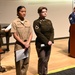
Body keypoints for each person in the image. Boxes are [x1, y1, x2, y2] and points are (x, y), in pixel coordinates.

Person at [11, 6, 32, 75]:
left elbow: (31, 34)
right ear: (18, 12)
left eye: (25, 11)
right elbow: (15, 35)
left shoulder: (28, 22)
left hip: (27, 45)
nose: (24, 13)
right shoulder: (15, 22)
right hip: (19, 45)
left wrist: (27, 43)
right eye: (22, 11)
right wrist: (24, 43)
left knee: (26, 63)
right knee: (19, 64)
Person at [33, 6, 54, 75]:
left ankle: (45, 72)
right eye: (43, 12)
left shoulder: (49, 21)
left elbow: (52, 31)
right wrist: (47, 41)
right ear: (39, 13)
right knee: (42, 58)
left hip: (49, 43)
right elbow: (38, 33)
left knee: (46, 59)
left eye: (46, 11)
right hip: (40, 44)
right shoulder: (36, 22)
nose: (45, 13)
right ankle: (41, 73)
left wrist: (51, 40)